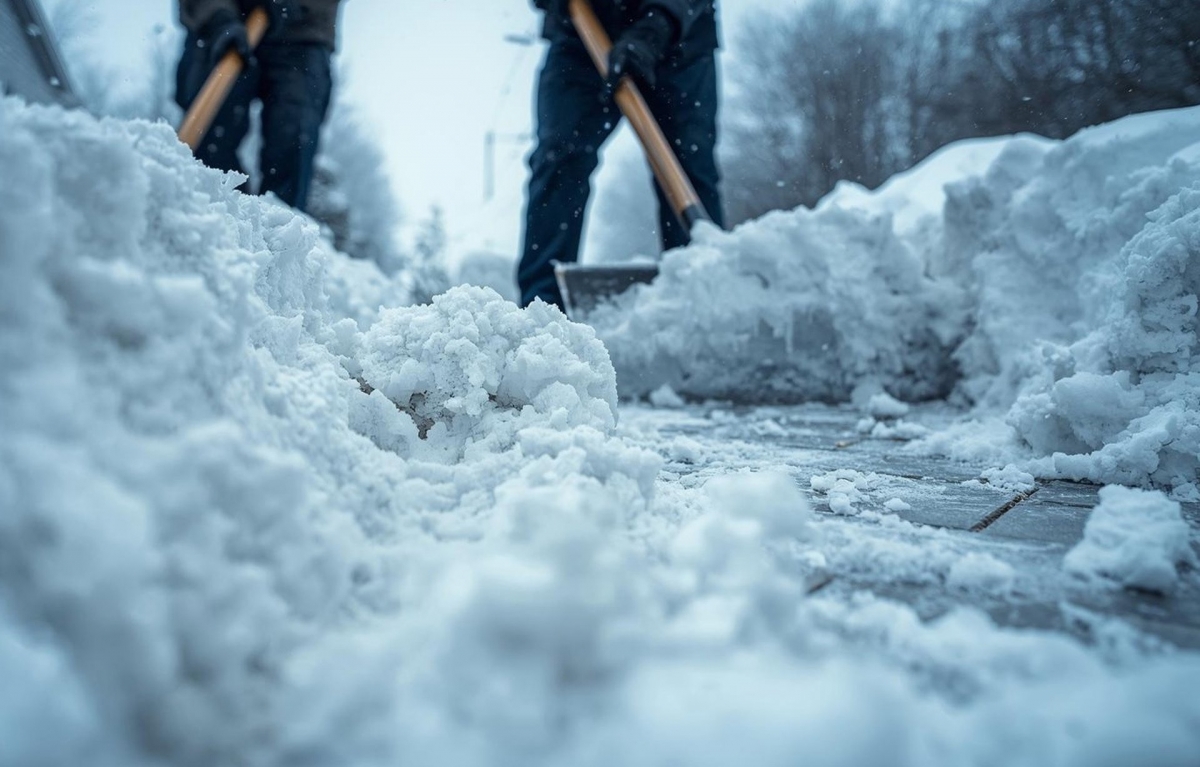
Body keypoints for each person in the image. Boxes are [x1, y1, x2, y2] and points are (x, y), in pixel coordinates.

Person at [518, 0, 723, 310]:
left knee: (689, 163)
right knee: (559, 159)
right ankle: (542, 307)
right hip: (580, 34)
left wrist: (656, 27)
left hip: (679, 37)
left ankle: (705, 293)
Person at [175, 0, 343, 212]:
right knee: (209, 141)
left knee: (294, 141)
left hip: (303, 29)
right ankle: (219, 222)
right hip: (223, 21)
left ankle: (282, 234)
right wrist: (217, 17)